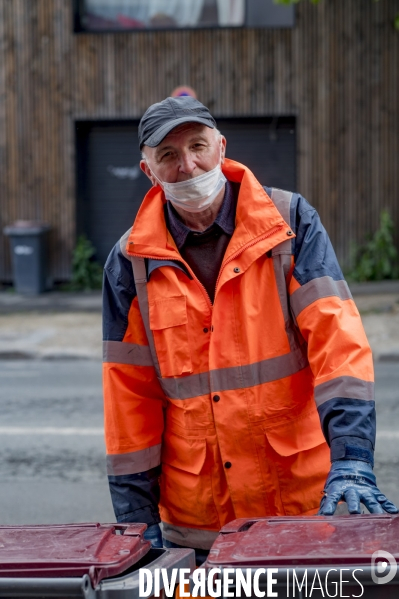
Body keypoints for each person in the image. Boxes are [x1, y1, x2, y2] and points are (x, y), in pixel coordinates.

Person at [102, 96, 398, 559]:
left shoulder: (289, 221)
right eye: (169, 156)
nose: (189, 164)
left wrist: (353, 456)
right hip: (199, 528)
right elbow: (128, 398)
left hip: (302, 513)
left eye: (199, 146)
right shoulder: (130, 261)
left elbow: (337, 342)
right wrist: (135, 524)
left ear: (222, 147)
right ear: (149, 171)